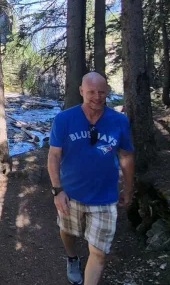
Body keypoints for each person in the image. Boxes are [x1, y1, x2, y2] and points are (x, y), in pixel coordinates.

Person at [48, 72, 135, 285]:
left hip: (105, 197)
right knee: (68, 232)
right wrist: (57, 190)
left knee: (99, 253)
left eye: (101, 92)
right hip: (71, 193)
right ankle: (72, 257)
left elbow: (126, 155)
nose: (97, 97)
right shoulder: (64, 119)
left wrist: (128, 189)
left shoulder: (119, 121)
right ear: (81, 91)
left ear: (107, 93)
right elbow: (54, 155)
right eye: (91, 92)